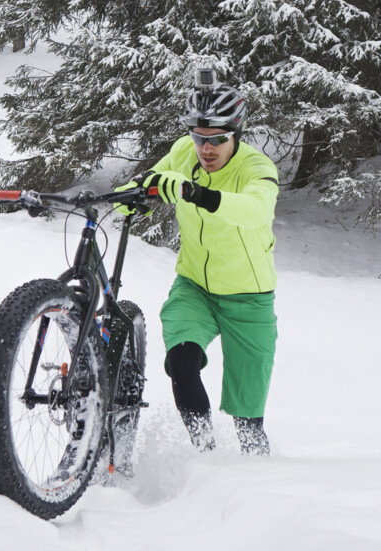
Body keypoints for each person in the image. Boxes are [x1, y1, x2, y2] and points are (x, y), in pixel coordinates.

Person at [120, 69, 279, 455]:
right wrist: (127, 195)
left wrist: (196, 193)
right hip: (194, 287)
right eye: (199, 138)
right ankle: (206, 455)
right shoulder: (184, 153)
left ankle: (259, 477)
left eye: (217, 140)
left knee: (248, 419)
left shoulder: (256, 168)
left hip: (249, 297)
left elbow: (256, 211)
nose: (206, 149)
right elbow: (150, 180)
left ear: (235, 134)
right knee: (181, 363)